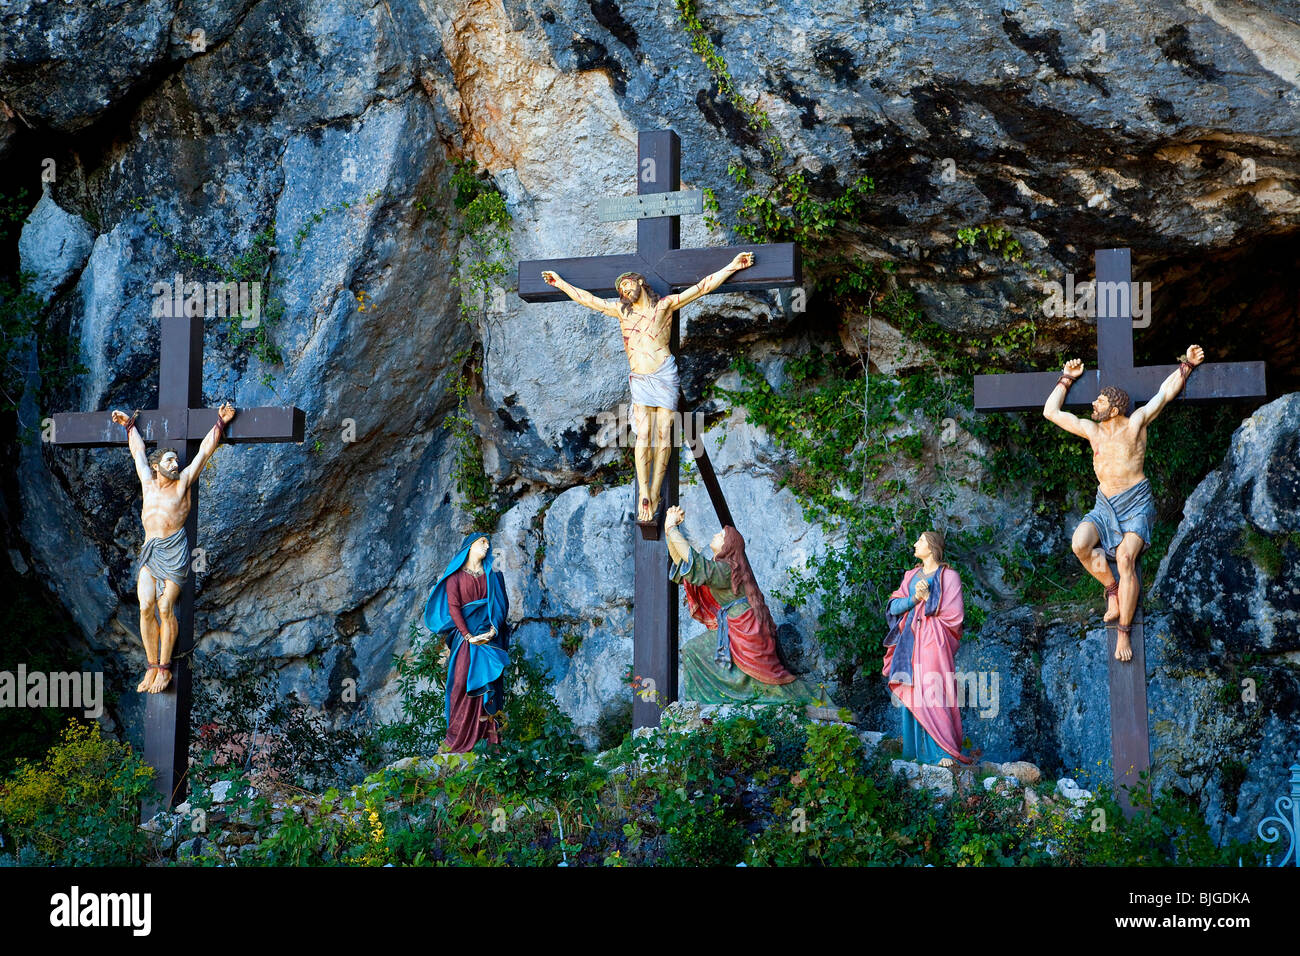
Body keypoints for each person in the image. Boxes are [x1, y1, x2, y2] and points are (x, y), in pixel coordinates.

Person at [542, 253, 754, 524]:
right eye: (620, 289)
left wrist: (733, 265)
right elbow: (589, 300)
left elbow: (703, 287)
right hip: (641, 380)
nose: (624, 290)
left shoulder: (664, 306)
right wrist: (560, 284)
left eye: (627, 284)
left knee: (664, 435)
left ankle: (654, 494)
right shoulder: (621, 312)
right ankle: (644, 492)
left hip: (664, 375)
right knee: (643, 436)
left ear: (640, 281)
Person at [1043, 344, 1205, 660]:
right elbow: (1051, 412)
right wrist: (1066, 379)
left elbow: (1165, 393)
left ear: (1114, 408)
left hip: (1136, 503)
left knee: (1127, 560)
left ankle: (1124, 632)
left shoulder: (1135, 424)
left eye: (1100, 401)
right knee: (1079, 544)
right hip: (1104, 505)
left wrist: (1186, 364)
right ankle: (1112, 591)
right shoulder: (1092, 431)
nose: (1093, 403)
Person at [109, 403, 234, 693]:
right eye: (169, 461)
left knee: (166, 606)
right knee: (145, 607)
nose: (175, 464)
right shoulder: (148, 483)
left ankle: (164, 669)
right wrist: (129, 426)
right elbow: (138, 453)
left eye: (175, 460)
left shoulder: (182, 486)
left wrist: (220, 423)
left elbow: (203, 453)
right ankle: (151, 666)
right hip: (150, 551)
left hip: (175, 551)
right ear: (157, 466)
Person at [663, 505, 823, 705]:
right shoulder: (723, 568)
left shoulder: (728, 569)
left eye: (721, 534)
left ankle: (714, 702)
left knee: (695, 651)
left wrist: (671, 528)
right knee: (693, 650)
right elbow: (684, 563)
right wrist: (669, 531)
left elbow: (696, 565)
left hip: (744, 627)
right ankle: (711, 701)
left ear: (728, 546)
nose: (715, 534)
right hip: (736, 624)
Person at [881, 531, 971, 767]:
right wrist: (914, 598)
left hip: (934, 641)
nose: (914, 543)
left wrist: (928, 597)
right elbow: (894, 606)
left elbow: (954, 617)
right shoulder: (911, 575)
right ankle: (915, 752)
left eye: (919, 540)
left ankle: (944, 751)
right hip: (910, 642)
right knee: (913, 692)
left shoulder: (949, 576)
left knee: (934, 689)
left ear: (931, 547)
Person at [423, 534, 510, 753]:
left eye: (488, 542)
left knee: (489, 688)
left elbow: (501, 605)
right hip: (466, 640)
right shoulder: (455, 578)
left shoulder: (493, 575)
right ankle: (455, 739)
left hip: (489, 641)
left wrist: (492, 631)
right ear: (469, 547)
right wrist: (469, 636)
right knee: (460, 684)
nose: (487, 546)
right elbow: (454, 608)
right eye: (482, 542)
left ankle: (490, 743)